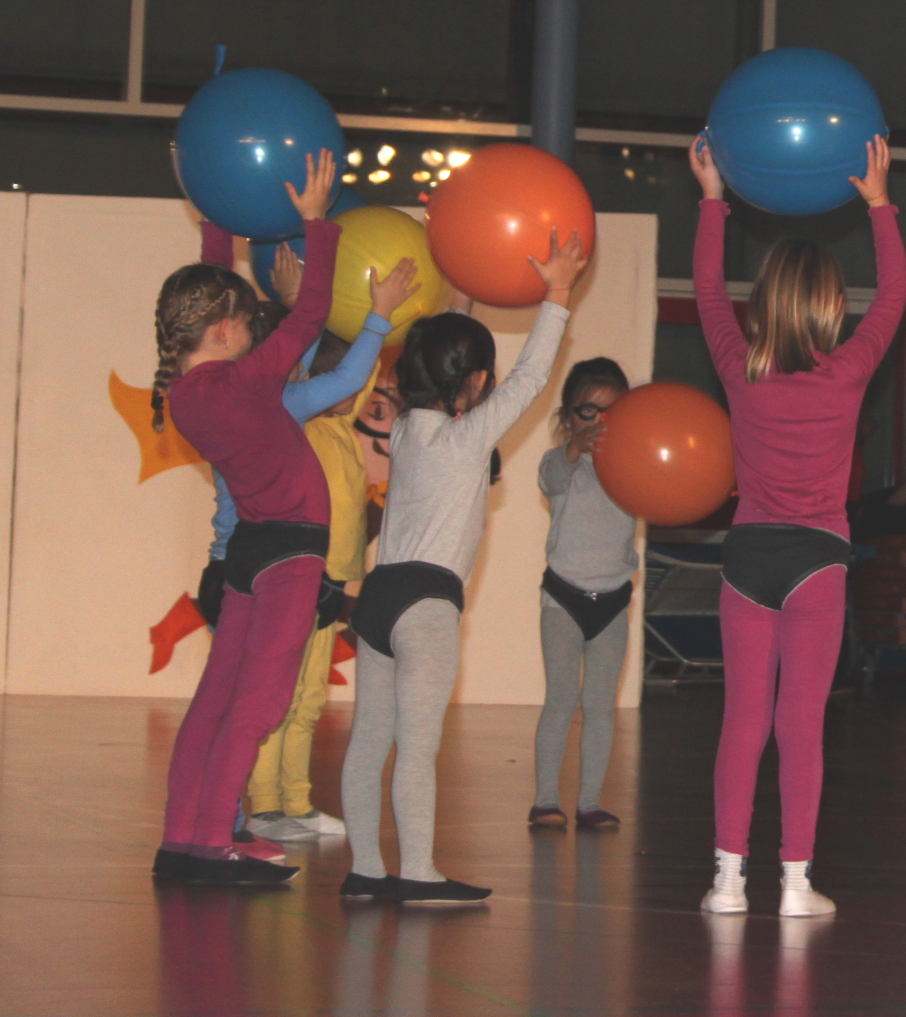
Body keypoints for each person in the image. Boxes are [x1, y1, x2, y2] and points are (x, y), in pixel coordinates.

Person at [338, 228, 587, 905]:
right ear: (476, 382)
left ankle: (365, 872)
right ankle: (418, 874)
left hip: (379, 597)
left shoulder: (407, 429)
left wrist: (462, 292)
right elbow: (531, 377)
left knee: (370, 739)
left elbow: (440, 358)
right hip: (426, 606)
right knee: (417, 746)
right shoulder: (469, 435)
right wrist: (557, 293)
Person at [691, 133, 904, 919]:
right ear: (830, 306)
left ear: (764, 302)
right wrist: (879, 205)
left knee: (742, 721)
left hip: (748, 555)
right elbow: (895, 297)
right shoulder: (847, 372)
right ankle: (794, 885)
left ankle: (726, 882)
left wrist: (712, 198)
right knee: (800, 725)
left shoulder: (737, 366)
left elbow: (706, 291)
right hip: (818, 560)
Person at [148, 151, 341, 887]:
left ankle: (182, 839)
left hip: (251, 551)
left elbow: (215, 293)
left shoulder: (187, 393)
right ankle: (213, 845)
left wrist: (216, 212)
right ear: (227, 330)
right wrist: (315, 223)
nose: (260, 333)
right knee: (257, 703)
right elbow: (312, 314)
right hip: (290, 553)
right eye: (249, 322)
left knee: (215, 700)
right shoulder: (245, 381)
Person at [243, 247, 419, 847]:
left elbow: (359, 375)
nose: (354, 389)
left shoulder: (342, 426)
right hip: (295, 578)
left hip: (330, 583)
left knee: (310, 697)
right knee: (279, 694)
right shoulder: (294, 423)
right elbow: (323, 371)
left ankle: (294, 802)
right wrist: (304, 305)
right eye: (333, 378)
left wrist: (382, 320)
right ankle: (263, 804)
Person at [530, 356, 639, 831]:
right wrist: (574, 448)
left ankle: (590, 801)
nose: (597, 423)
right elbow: (551, 478)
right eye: (586, 412)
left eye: (611, 412)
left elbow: (666, 489)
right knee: (561, 699)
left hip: (611, 601)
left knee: (600, 705)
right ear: (567, 417)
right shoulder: (561, 463)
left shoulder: (633, 465)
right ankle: (545, 799)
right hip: (564, 600)